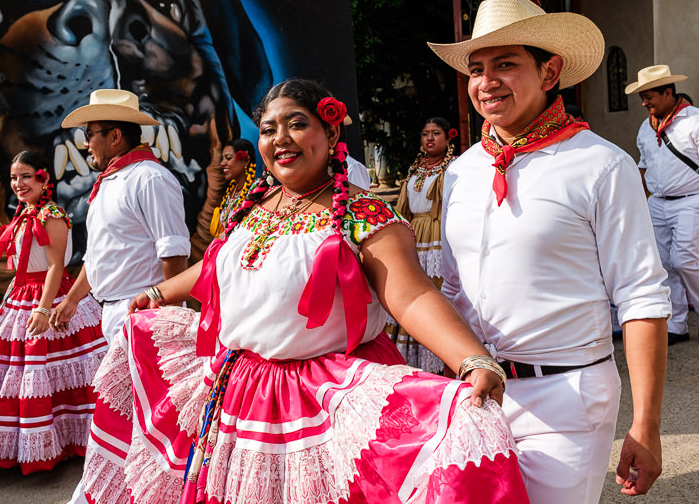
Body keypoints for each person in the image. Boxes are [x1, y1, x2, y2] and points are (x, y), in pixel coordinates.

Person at [69, 78, 530, 503]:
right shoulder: (254, 207)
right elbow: (217, 267)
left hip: (325, 396)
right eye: (269, 129)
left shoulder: (362, 215)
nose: (280, 138)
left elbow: (411, 297)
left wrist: (471, 360)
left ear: (330, 136)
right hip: (241, 390)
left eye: (296, 124)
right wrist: (158, 292)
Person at [429, 0, 670, 503]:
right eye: (477, 69)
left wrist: (647, 424)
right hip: (474, 391)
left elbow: (642, 297)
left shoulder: (600, 166)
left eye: (506, 64)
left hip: (565, 397)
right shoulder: (462, 172)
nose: (487, 82)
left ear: (550, 71)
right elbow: (451, 289)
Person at [0, 150, 107, 474]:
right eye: (13, 178)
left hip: (50, 298)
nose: (18, 184)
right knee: (26, 376)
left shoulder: (51, 214)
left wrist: (41, 309)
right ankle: (44, 443)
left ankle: (78, 441)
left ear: (43, 178)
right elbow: (21, 268)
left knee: (57, 373)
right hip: (23, 295)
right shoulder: (25, 214)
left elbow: (55, 266)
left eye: (25, 176)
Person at [51, 89, 190, 343]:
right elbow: (95, 257)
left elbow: (174, 251)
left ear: (115, 136)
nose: (85, 143)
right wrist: (71, 301)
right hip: (119, 313)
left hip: (147, 313)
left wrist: (173, 319)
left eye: (89, 134)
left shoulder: (150, 178)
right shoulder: (109, 181)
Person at [625, 65, 699, 345]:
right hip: (658, 203)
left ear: (668, 93)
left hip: (691, 200)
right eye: (642, 97)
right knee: (665, 264)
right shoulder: (646, 126)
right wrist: (641, 202)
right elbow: (644, 166)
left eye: (649, 96)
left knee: (686, 261)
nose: (644, 103)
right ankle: (677, 324)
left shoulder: (693, 120)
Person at [387, 117, 458, 373]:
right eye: (425, 133)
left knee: (434, 290)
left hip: (438, 235)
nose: (429, 138)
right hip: (414, 233)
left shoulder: (454, 168)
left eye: (436, 133)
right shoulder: (415, 168)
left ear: (448, 138)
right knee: (409, 288)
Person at [209, 138, 256, 238]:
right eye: (223, 158)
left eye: (228, 158)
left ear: (246, 160)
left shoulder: (257, 189)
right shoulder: (231, 191)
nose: (222, 163)